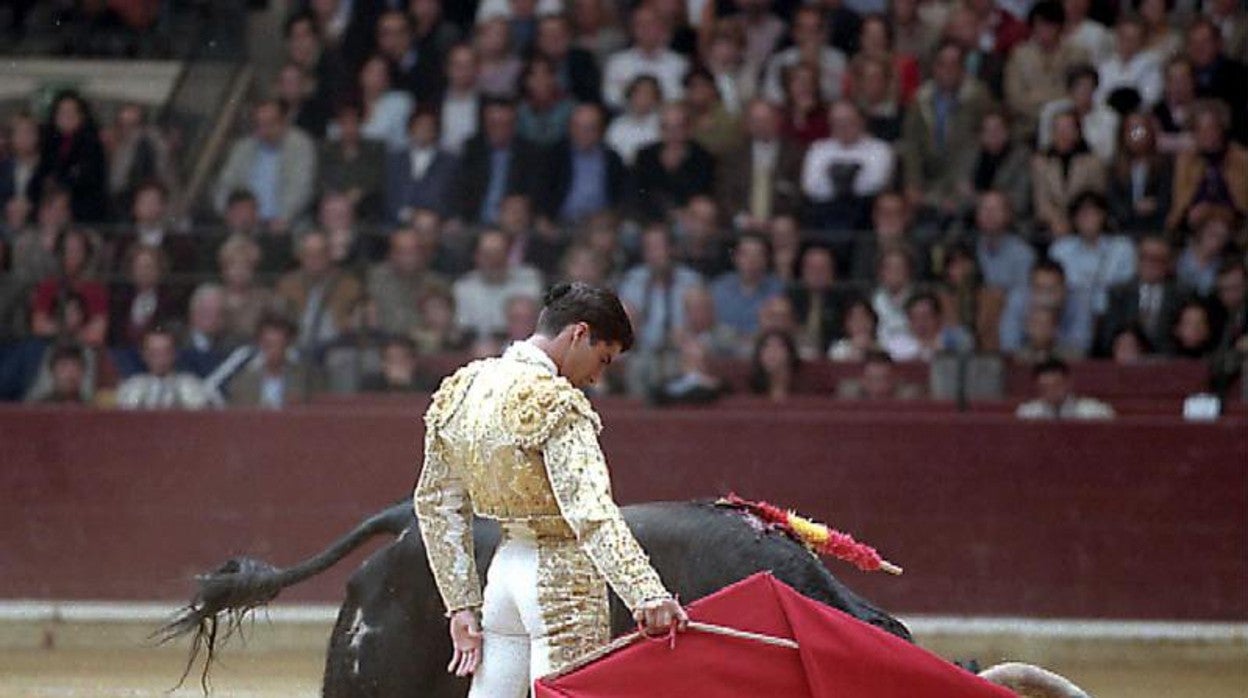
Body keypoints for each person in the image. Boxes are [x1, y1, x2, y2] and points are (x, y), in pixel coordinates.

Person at [414, 283, 687, 696]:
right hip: (563, 581)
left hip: (503, 576)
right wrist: (646, 592)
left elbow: (436, 505)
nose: (596, 377)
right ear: (578, 333)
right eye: (602, 359)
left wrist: (461, 604)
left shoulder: (462, 389)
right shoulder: (558, 403)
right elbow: (592, 514)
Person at [213, 99, 318, 233]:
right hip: (244, 224)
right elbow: (225, 184)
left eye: (270, 124)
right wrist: (229, 213)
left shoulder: (300, 145)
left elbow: (301, 188)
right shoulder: (242, 148)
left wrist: (282, 218)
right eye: (259, 125)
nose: (265, 130)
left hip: (286, 224)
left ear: (284, 122)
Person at [115, 328, 220, 409]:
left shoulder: (192, 385)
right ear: (144, 355)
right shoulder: (132, 387)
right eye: (154, 353)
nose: (160, 359)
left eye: (165, 352)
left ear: (174, 354)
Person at [1016, 357, 1114, 420]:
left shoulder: (1094, 412)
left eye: (1056, 385)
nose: (1051, 391)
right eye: (1045, 387)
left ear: (1068, 383)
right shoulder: (1027, 414)